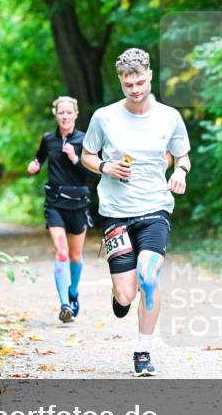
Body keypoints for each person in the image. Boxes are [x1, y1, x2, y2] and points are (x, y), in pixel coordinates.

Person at [81, 48, 191, 377]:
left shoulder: (169, 116)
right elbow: (87, 154)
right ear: (120, 81)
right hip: (116, 212)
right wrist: (105, 166)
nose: (136, 89)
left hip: (155, 207)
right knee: (127, 293)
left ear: (150, 76)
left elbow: (183, 156)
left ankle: (143, 351)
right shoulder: (104, 117)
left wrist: (180, 172)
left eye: (140, 82)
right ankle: (121, 296)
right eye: (128, 84)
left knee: (149, 278)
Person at [27, 96, 94, 323]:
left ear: (75, 114)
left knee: (75, 255)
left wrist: (76, 159)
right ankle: (64, 304)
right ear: (56, 114)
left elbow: (94, 175)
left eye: (69, 112)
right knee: (62, 252)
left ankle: (73, 293)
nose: (65, 116)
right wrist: (35, 165)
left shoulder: (85, 140)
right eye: (61, 112)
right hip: (55, 202)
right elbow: (39, 158)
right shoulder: (48, 140)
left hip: (78, 203)